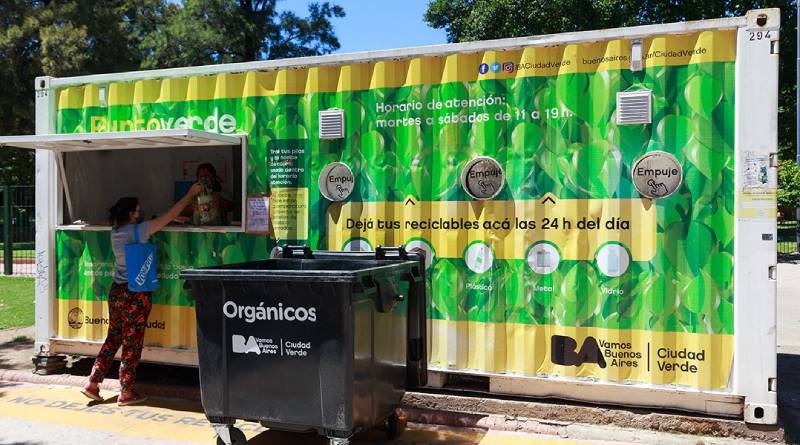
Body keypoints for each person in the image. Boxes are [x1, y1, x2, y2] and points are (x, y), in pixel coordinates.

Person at [81, 183, 204, 406]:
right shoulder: (137, 230)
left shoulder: (117, 231)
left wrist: (162, 219)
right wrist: (190, 194)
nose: (141, 212)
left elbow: (161, 220)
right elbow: (171, 214)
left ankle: (93, 381)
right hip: (135, 296)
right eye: (138, 210)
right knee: (132, 343)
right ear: (131, 213)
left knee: (113, 338)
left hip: (117, 291)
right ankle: (126, 392)